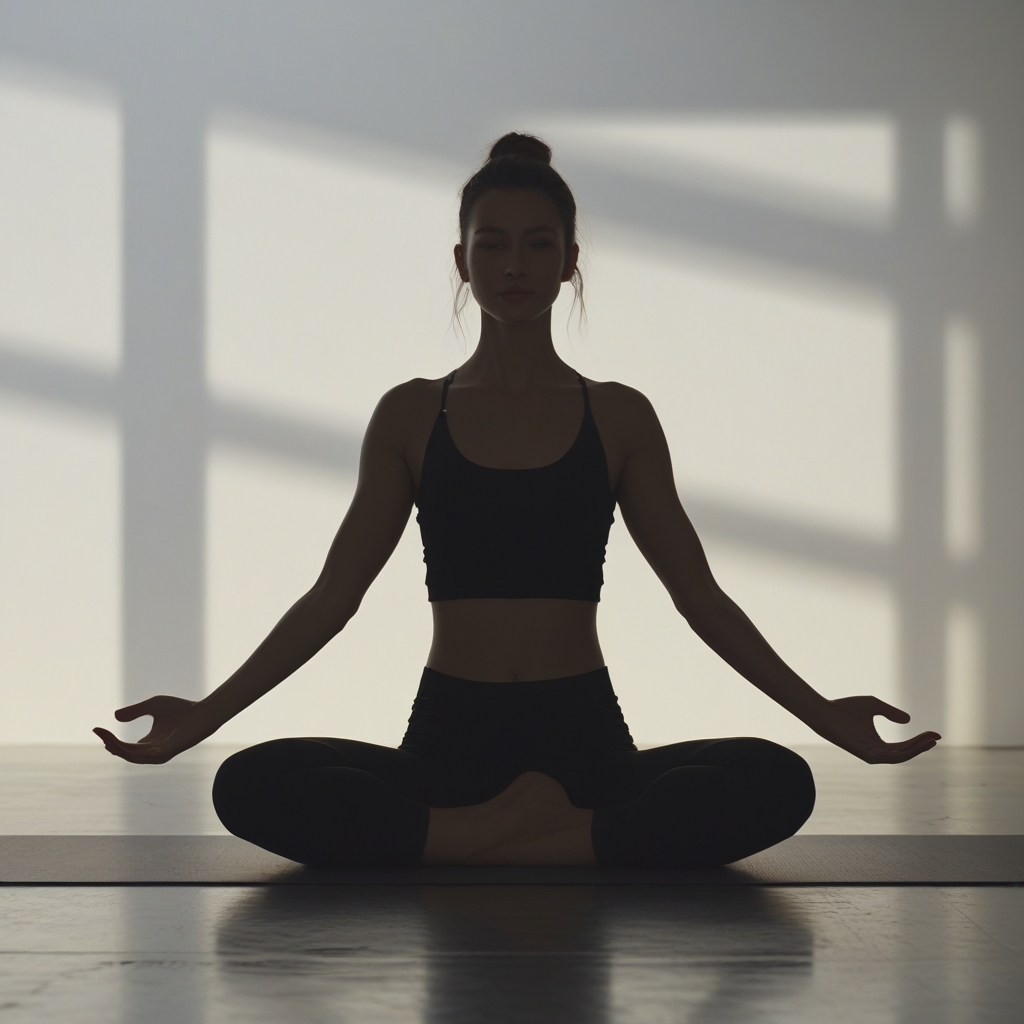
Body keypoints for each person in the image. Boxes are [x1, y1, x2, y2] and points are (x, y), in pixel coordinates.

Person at [94, 132, 940, 869]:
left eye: (539, 246)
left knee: (778, 780)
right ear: (461, 259)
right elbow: (332, 598)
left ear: (571, 262)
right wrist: (204, 718)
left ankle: (467, 841)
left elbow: (699, 597)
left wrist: (823, 716)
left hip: (583, 734)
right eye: (492, 244)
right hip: (448, 735)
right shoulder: (409, 413)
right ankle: (559, 840)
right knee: (250, 784)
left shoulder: (619, 416)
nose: (513, 266)